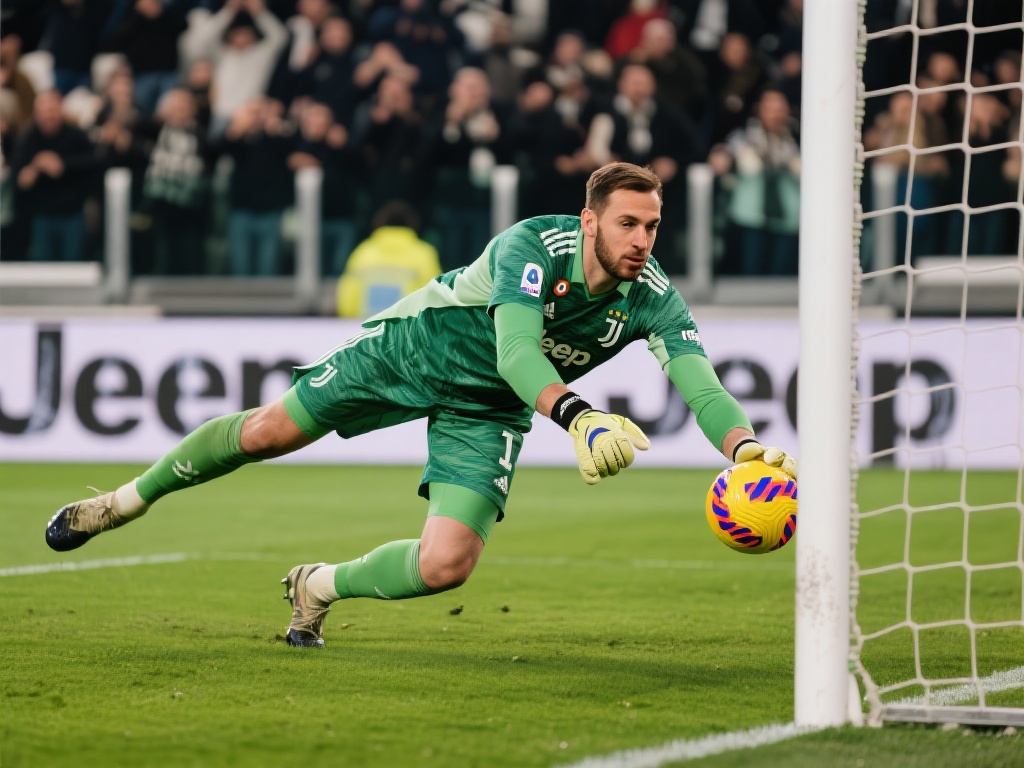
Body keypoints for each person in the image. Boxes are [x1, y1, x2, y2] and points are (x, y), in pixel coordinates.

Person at [45, 162, 798, 649]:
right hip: (415, 348)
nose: (642, 240)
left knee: (447, 566)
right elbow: (517, 351)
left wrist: (742, 448)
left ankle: (316, 584)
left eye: (653, 225)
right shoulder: (532, 247)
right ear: (590, 220)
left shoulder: (653, 297)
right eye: (628, 223)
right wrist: (577, 414)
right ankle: (122, 502)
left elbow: (702, 385)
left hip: (489, 409)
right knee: (269, 431)